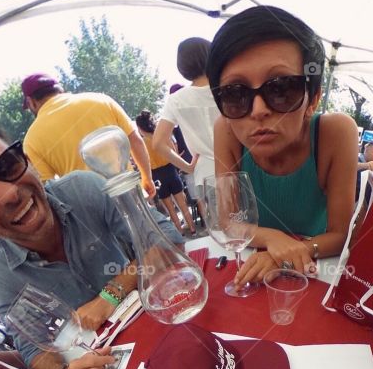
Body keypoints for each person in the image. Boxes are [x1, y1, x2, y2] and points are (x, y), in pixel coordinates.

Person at [0, 118, 181, 369]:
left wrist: (110, 295)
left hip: (167, 314)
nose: (9, 194)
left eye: (7, 165)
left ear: (29, 161)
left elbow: (165, 238)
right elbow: (33, 348)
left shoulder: (82, 188)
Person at [208, 6, 359, 287]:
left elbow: (340, 234)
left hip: (317, 270)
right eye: (235, 94)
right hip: (251, 273)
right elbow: (228, 223)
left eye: (280, 88)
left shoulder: (335, 132)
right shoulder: (226, 128)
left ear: (312, 99)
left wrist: (289, 253)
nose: (257, 110)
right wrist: (274, 241)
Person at [19, 73, 156, 193]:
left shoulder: (31, 140)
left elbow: (49, 188)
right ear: (59, 88)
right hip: (129, 191)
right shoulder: (101, 100)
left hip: (93, 213)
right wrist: (147, 178)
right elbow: (135, 140)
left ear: (31, 102)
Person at [153, 39, 221, 211]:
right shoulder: (227, 87)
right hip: (242, 166)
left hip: (205, 173)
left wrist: (188, 167)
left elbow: (158, 143)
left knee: (223, 230)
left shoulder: (176, 100)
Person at [135, 110, 197, 236]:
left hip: (157, 176)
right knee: (183, 205)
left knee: (170, 208)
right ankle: (193, 229)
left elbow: (141, 164)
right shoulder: (162, 137)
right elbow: (173, 152)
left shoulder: (142, 143)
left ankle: (180, 233)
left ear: (140, 127)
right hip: (171, 171)